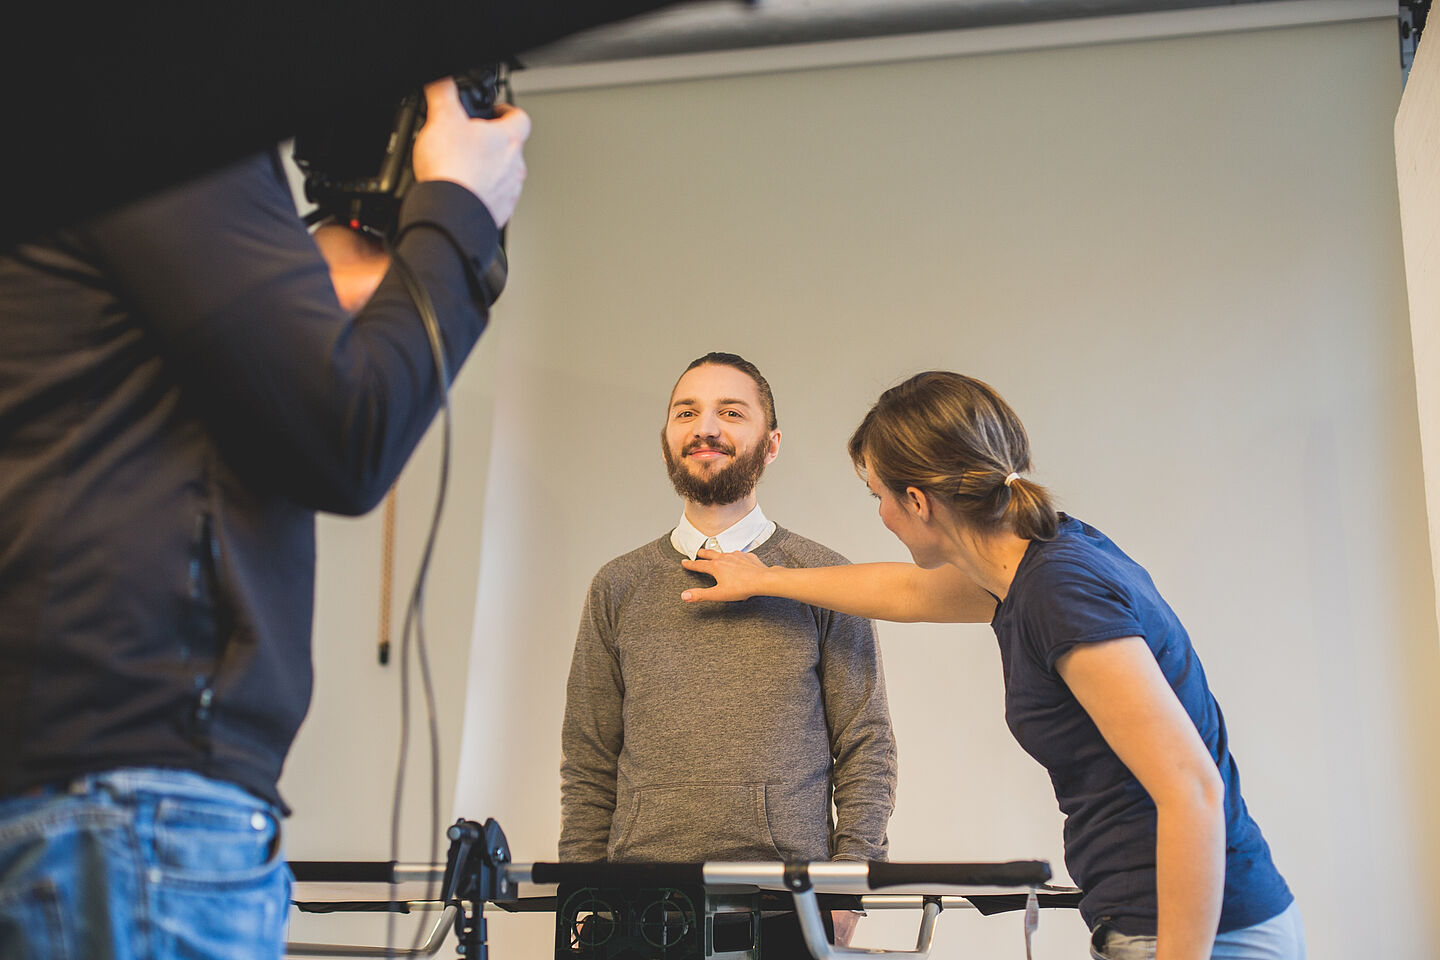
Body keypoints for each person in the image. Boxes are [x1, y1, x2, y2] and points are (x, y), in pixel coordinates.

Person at [0, 79, 529, 960]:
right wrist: (461, 213)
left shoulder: (65, 116)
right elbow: (346, 431)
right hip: (133, 802)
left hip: (74, 784)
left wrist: (326, 278)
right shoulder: (157, 106)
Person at [681, 371, 1304, 960]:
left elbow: (1192, 788)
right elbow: (907, 594)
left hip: (1203, 932)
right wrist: (767, 579)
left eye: (878, 496)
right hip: (1163, 922)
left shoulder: (1059, 592)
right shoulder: (1033, 565)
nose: (881, 515)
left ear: (918, 501)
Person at [559, 352, 897, 956]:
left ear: (769, 446)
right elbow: (588, 756)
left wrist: (847, 893)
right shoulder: (618, 585)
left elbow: (866, 745)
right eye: (686, 412)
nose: (705, 427)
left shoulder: (824, 578)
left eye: (731, 412)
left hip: (787, 906)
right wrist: (583, 894)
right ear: (667, 440)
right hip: (638, 907)